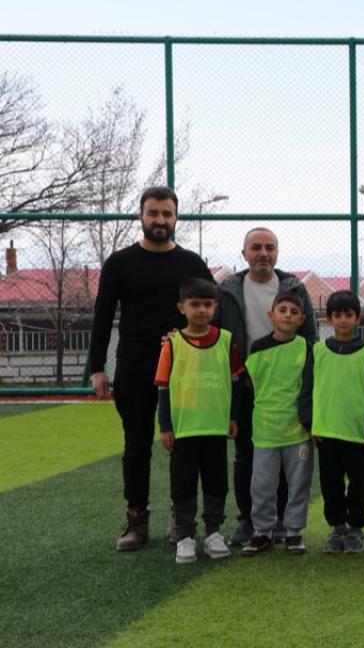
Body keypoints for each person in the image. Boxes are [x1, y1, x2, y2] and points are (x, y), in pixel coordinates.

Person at [89, 186, 213, 551]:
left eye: (167, 214)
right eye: (153, 213)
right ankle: (136, 518)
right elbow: (101, 318)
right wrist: (97, 367)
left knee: (185, 448)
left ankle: (181, 517)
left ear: (176, 218)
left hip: (185, 371)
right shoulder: (119, 263)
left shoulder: (192, 264)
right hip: (135, 367)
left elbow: (209, 314)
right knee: (137, 446)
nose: (160, 220)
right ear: (141, 215)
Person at [214, 227, 318, 546]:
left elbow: (311, 338)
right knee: (249, 457)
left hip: (288, 389)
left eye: (269, 248)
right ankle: (250, 522)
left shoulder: (293, 287)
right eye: (256, 247)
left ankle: (287, 525)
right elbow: (216, 334)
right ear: (244, 253)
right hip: (246, 385)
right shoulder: (228, 289)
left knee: (292, 463)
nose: (263, 253)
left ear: (277, 252)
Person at [154, 278, 243, 564]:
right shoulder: (173, 343)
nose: (202, 310)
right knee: (183, 484)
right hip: (184, 429)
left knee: (216, 482)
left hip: (216, 427)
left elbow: (236, 382)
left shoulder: (226, 340)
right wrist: (165, 425)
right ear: (182, 307)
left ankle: (214, 532)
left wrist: (233, 416)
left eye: (207, 304)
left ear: (215, 307)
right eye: (195, 304)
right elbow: (164, 387)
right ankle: (185, 537)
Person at [300, 290, 364, 554]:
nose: (343, 320)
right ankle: (337, 528)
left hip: (357, 433)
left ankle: (356, 529)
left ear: (357, 318)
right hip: (327, 430)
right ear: (329, 318)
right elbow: (308, 388)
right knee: (331, 484)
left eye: (348, 314)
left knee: (359, 484)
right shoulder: (318, 350)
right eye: (338, 315)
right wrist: (310, 422)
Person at [238, 292, 314, 556]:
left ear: (302, 319)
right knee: (262, 483)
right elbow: (250, 387)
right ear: (271, 315)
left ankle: (293, 532)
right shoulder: (258, 348)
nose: (288, 315)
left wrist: (310, 422)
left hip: (299, 434)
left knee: (299, 482)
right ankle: (262, 532)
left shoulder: (307, 347)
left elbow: (310, 388)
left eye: (294, 312)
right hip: (266, 432)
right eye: (282, 310)